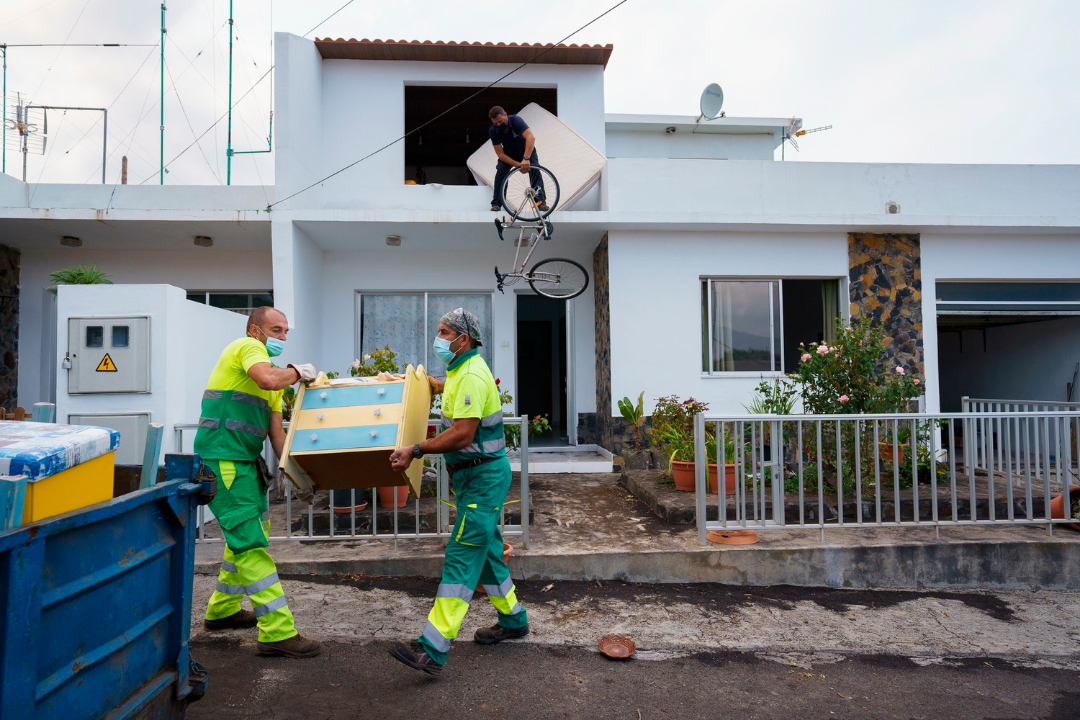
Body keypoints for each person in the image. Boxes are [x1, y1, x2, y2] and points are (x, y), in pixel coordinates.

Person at [387, 308, 529, 676]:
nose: (438, 338)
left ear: (462, 340)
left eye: (444, 332)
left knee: (462, 556)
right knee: (489, 555)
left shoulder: (471, 375)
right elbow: (442, 385)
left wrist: (416, 449)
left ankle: (432, 650)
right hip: (474, 477)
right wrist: (412, 383)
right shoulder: (460, 371)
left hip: (481, 479)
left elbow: (463, 433)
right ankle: (514, 622)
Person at [197, 306, 323, 658]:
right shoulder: (247, 348)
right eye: (276, 329)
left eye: (285, 332)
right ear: (256, 329)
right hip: (225, 460)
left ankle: (221, 612)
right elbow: (269, 378)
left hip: (246, 464)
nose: (282, 337)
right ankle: (277, 632)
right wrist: (297, 372)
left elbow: (276, 434)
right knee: (250, 544)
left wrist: (297, 472)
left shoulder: (271, 376)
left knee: (249, 536)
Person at [488, 105, 549, 213]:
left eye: (500, 121)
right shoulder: (493, 130)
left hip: (526, 150)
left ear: (505, 115)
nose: (498, 124)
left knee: (535, 170)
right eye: (495, 123)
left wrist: (526, 158)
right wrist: (518, 165)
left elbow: (531, 137)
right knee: (501, 171)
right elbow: (500, 154)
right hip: (509, 153)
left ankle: (540, 203)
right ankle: (497, 203)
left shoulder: (516, 120)